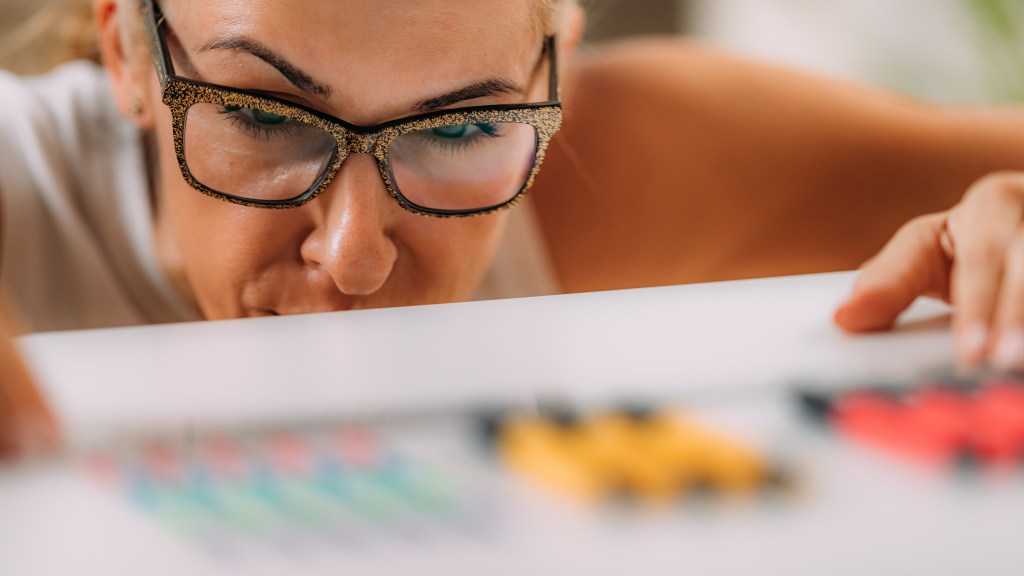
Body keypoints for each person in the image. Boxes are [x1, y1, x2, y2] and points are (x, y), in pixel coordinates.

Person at [2, 0, 1024, 456]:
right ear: (130, 56)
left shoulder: (617, 166)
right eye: (264, 117)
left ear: (555, 71)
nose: (354, 255)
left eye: (465, 126)